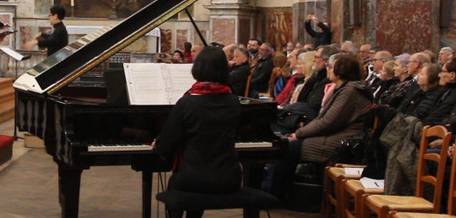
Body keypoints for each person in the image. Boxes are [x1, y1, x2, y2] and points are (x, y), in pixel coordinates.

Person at [152, 46, 242, 218]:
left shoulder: (187, 103)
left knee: (176, 183)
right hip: (228, 178)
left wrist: (159, 144)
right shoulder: (234, 102)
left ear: (197, 68)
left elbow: (167, 144)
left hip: (191, 178)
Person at [267, 55, 373, 200]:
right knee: (286, 143)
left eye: (331, 67)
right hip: (334, 134)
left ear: (340, 71)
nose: (328, 70)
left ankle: (274, 194)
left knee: (288, 148)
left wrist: (299, 134)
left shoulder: (350, 92)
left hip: (342, 141)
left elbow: (328, 122)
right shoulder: (345, 89)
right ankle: (274, 191)